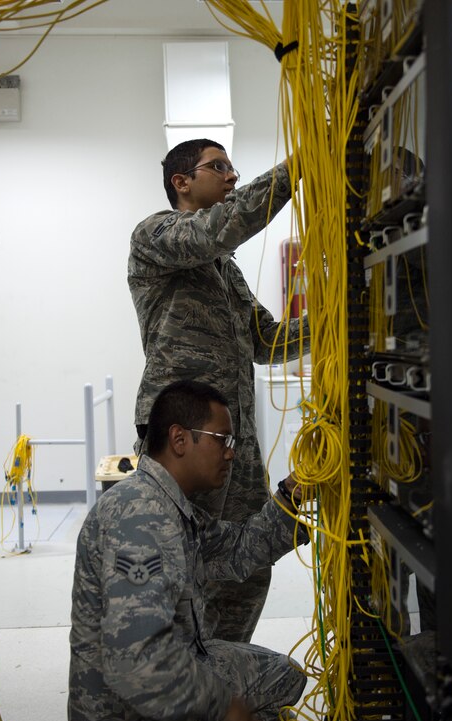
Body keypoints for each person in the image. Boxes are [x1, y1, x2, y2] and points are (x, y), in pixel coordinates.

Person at [67, 379, 308, 721]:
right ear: (180, 439)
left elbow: (236, 551)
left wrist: (292, 494)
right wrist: (223, 704)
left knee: (283, 677)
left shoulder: (170, 505)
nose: (231, 452)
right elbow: (139, 665)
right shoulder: (140, 517)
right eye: (223, 440)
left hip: (168, 678)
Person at [128, 138, 310, 643]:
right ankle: (179, 681)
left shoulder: (224, 268)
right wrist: (299, 167)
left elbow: (266, 340)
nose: (231, 176)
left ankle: (225, 678)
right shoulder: (156, 235)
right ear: (180, 182)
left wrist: (334, 322)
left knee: (248, 565)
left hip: (235, 439)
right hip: (183, 436)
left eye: (233, 167)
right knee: (184, 561)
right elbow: (216, 229)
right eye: (218, 166)